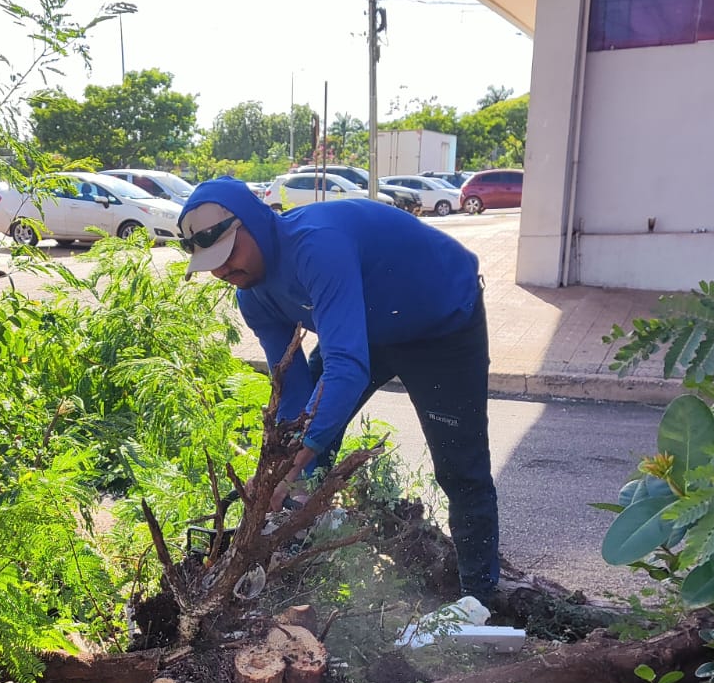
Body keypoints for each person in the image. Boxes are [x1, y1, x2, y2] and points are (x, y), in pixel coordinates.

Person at [177, 176, 500, 602]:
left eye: (229, 253)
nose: (222, 271)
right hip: (364, 329)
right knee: (310, 452)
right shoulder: (251, 293)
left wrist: (293, 461)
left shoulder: (315, 245)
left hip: (441, 324)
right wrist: (280, 468)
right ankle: (303, 572)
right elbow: (292, 389)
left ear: (254, 223)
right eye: (212, 263)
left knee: (461, 470)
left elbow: (345, 368)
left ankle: (479, 602)